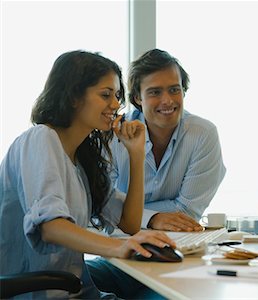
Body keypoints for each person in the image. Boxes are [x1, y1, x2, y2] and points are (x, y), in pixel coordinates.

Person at [0, 50, 176, 299]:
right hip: (40, 294)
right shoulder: (40, 138)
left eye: (116, 96)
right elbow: (50, 227)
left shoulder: (82, 159)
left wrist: (136, 154)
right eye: (105, 95)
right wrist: (119, 247)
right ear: (73, 96)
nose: (116, 105)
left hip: (80, 292)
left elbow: (129, 223)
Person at [86, 49, 226, 298]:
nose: (167, 100)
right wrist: (153, 218)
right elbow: (103, 210)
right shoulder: (111, 135)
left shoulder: (203, 134)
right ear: (138, 98)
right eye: (155, 92)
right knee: (73, 279)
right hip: (121, 256)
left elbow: (186, 214)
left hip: (172, 256)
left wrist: (137, 215)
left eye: (174, 89)